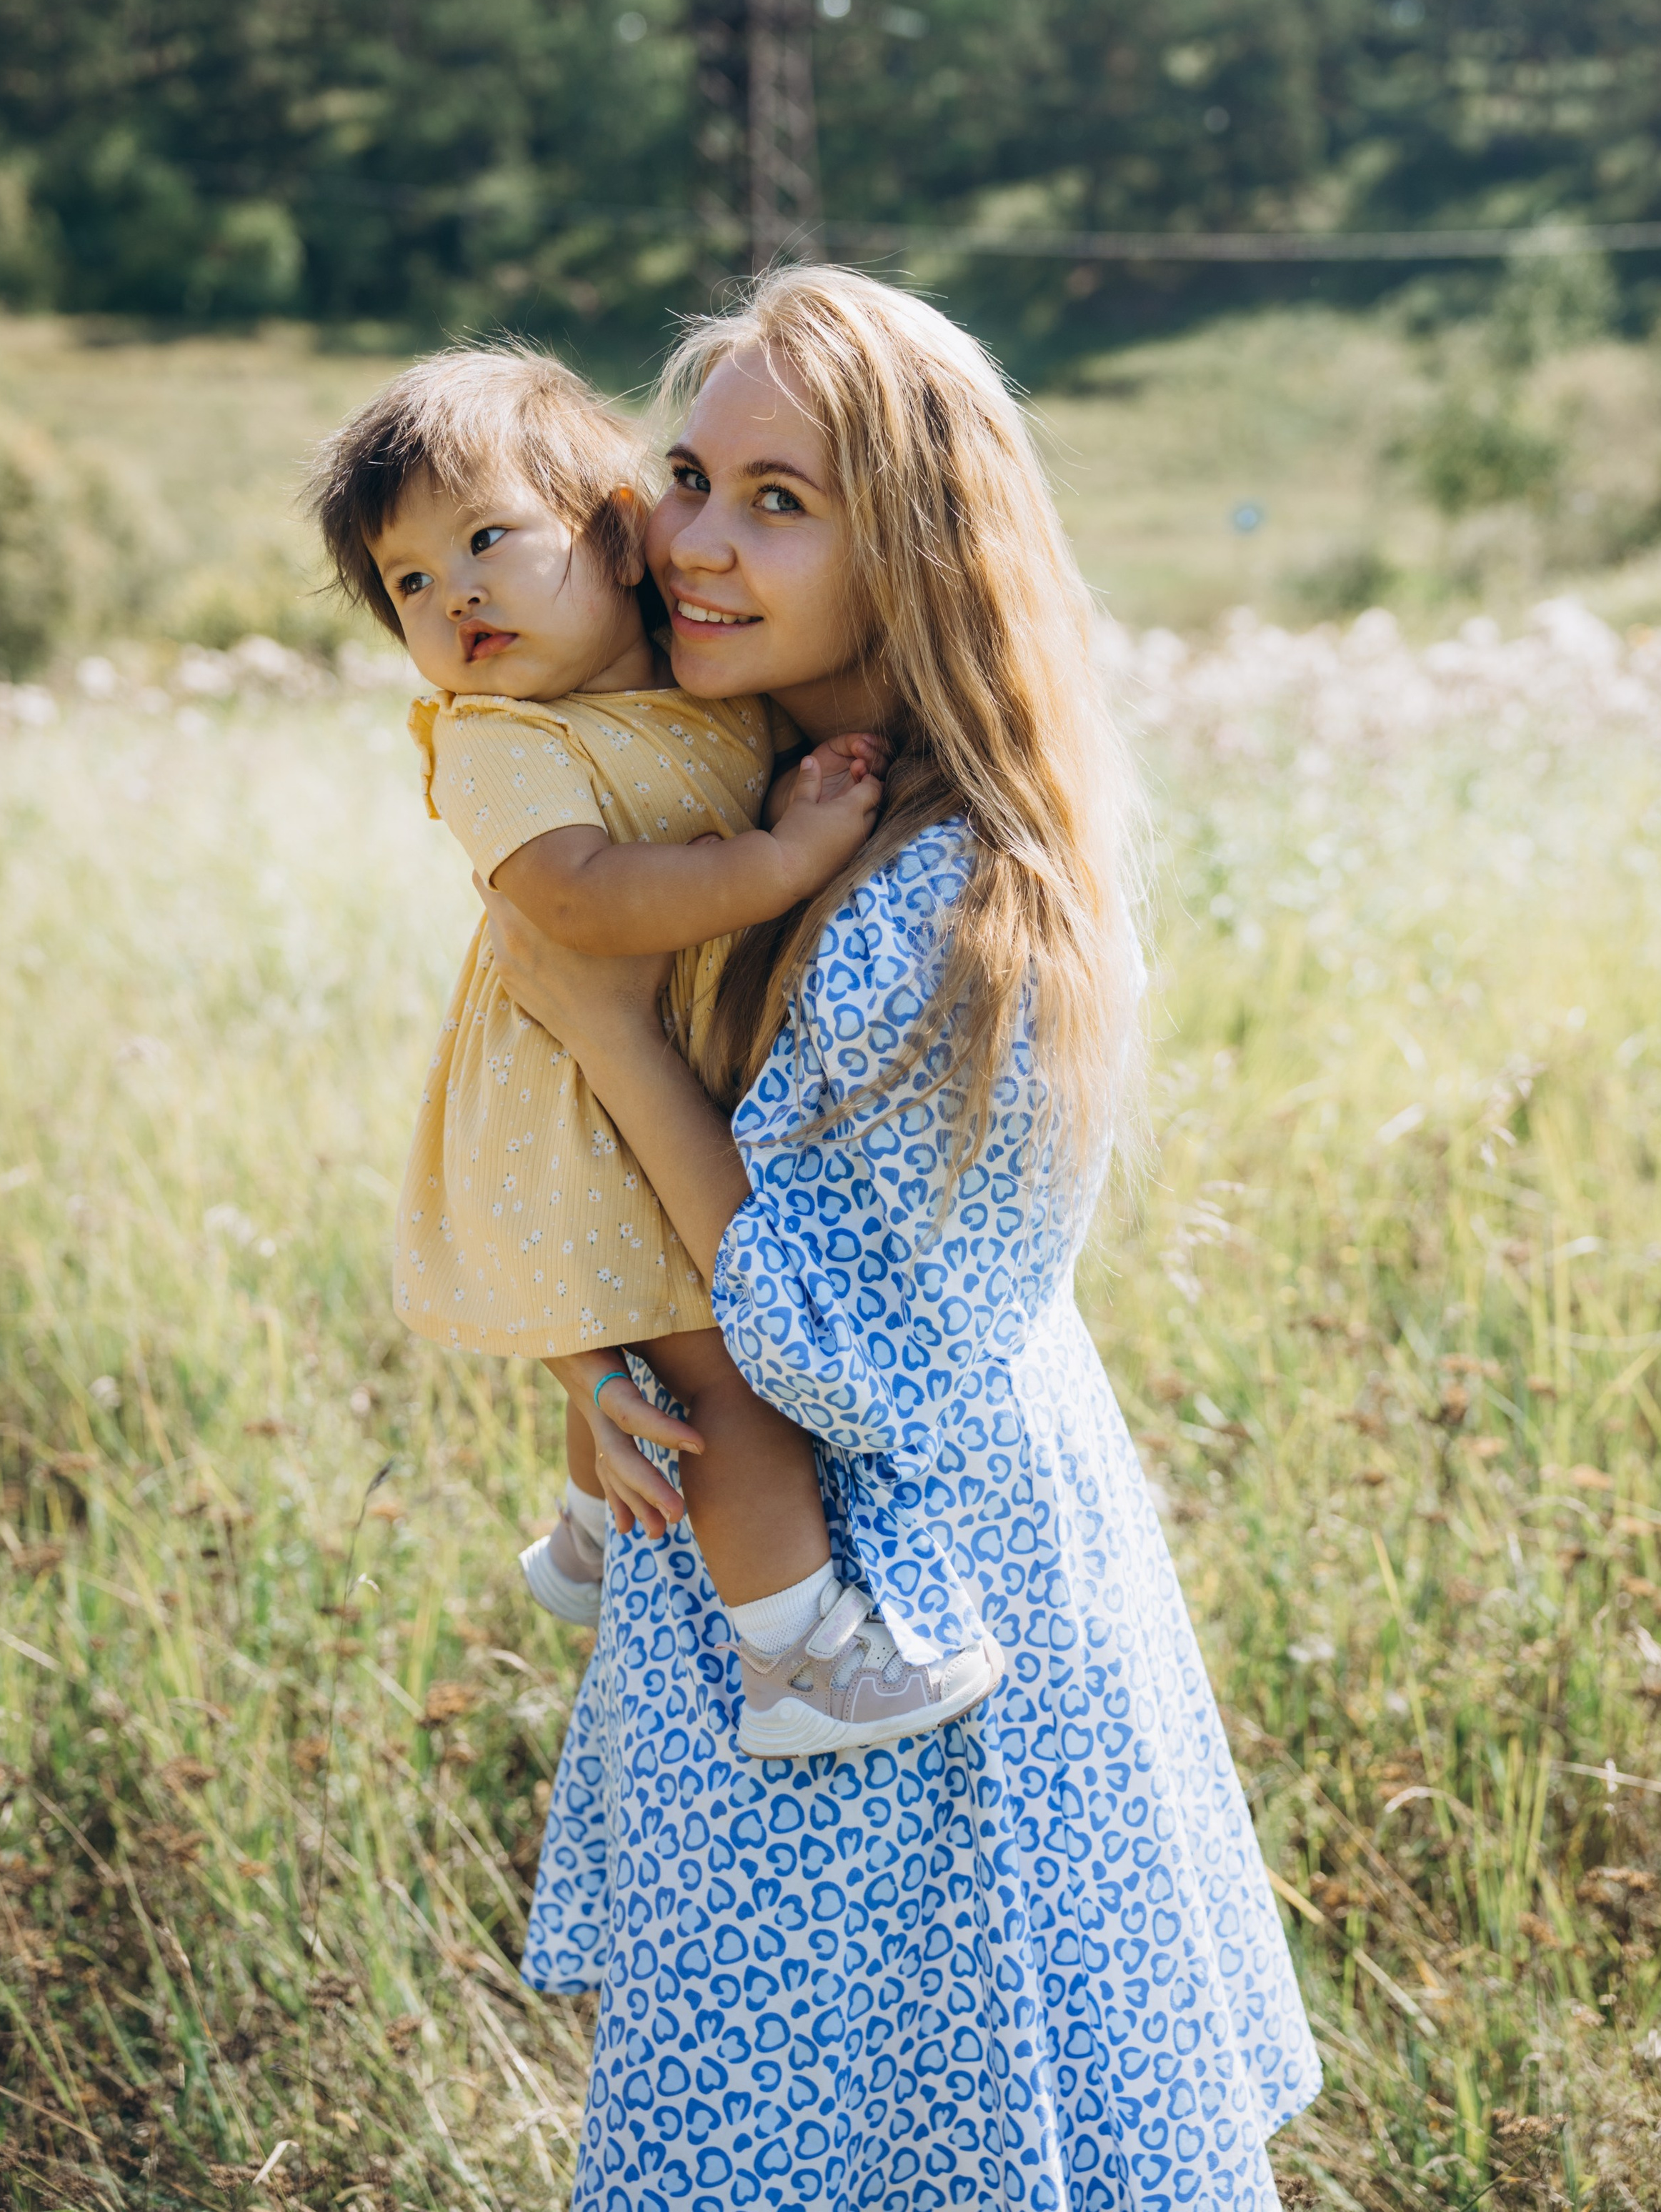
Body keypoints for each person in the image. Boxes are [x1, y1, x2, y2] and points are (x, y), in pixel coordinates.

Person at [483, 269, 1322, 2210]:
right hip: (799, 1611)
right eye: (690, 476)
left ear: (922, 545)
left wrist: (612, 1032)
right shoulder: (769, 816)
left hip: (918, 1638)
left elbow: (840, 1349)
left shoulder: (960, 903)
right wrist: (594, 1380)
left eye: (783, 499)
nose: (688, 538)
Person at [309, 345, 1003, 1755]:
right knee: (720, 1390)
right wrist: (779, 853)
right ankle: (799, 1658)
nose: (458, 599)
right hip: (584, 1113)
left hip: (644, 1099)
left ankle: (581, 1530)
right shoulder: (497, 739)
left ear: (616, 534)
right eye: (412, 586)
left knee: (655, 1353)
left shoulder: (706, 694)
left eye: (487, 542)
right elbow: (580, 902)